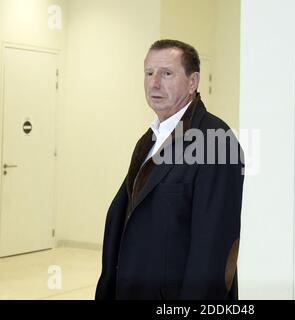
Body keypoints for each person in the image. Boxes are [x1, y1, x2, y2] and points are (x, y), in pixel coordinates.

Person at [95, 39, 244, 300]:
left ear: (192, 81)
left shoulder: (217, 142)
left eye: (166, 73)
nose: (154, 83)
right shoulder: (150, 138)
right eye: (149, 73)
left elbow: (212, 249)